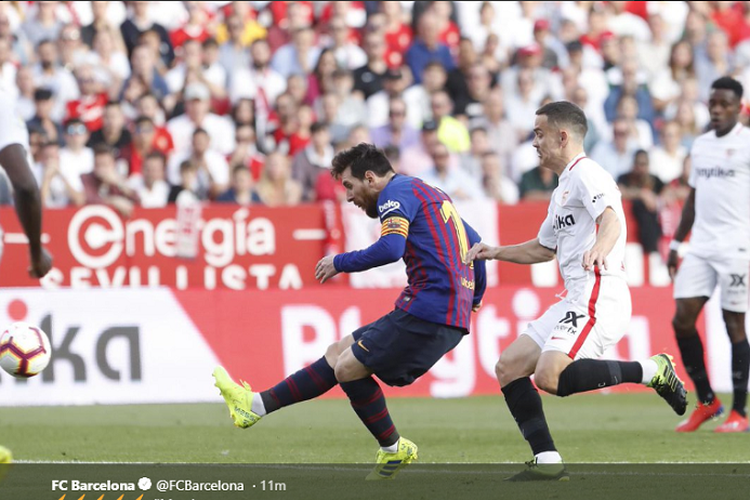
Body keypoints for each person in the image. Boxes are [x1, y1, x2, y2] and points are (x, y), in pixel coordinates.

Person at [213, 143, 486, 480]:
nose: (348, 197)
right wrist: (476, 295)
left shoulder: (393, 195)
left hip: (429, 311)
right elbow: (475, 243)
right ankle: (256, 405)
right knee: (338, 351)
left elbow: (391, 247)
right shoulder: (427, 191)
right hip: (432, 308)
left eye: (349, 186)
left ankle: (393, 449)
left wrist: (339, 261)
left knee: (348, 369)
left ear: (370, 178)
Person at [465, 101, 687, 481]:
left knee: (550, 377)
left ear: (562, 136)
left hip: (600, 291)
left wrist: (601, 246)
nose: (534, 142)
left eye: (539, 134)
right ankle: (547, 459)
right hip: (574, 296)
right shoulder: (562, 187)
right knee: (509, 366)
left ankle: (653, 369)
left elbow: (612, 218)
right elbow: (543, 248)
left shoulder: (587, 174)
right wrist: (495, 251)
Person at [668, 77, 750, 433]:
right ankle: (707, 402)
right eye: (712, 103)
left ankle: (740, 413)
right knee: (682, 320)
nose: (716, 109)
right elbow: (693, 197)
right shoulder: (700, 145)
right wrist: (675, 243)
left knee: (734, 323)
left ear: (738, 108)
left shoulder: (747, 143)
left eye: (724, 104)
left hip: (736, 246)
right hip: (701, 245)